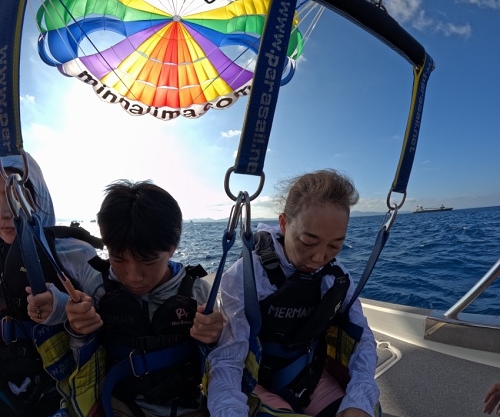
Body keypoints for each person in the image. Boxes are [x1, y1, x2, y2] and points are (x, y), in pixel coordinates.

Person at [29, 179, 223, 417]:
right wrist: (73, 324)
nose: (133, 277)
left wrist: (215, 337)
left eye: (148, 261)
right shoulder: (97, 289)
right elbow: (82, 352)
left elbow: (221, 360)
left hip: (187, 409)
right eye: (118, 259)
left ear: (172, 248)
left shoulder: (198, 293)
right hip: (116, 406)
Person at [207, 169, 380, 416]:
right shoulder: (246, 276)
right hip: (253, 383)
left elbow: (363, 339)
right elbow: (227, 359)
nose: (319, 258)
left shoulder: (337, 278)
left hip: (309, 378)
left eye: (335, 246)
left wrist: (359, 399)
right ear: (284, 224)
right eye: (308, 242)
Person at [0, 152, 101, 416]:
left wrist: (65, 307)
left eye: (14, 192)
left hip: (61, 393)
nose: (4, 212)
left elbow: (116, 314)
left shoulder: (75, 253)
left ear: (38, 195)